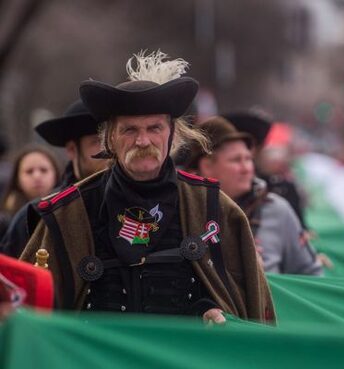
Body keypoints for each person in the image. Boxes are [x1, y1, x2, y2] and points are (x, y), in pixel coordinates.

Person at [20, 51, 274, 324]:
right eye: (129, 130)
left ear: (172, 134)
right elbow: (23, 310)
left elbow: (254, 314)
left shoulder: (214, 207)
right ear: (110, 139)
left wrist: (210, 307)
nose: (143, 141)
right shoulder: (67, 213)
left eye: (154, 128)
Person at [184, 117, 322, 275]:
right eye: (236, 160)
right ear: (207, 166)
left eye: (248, 159)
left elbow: (310, 274)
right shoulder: (182, 208)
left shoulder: (276, 209)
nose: (247, 168)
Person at [1, 100, 108, 257]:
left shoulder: (132, 203)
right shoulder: (37, 216)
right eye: (97, 142)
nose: (108, 150)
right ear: (72, 150)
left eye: (110, 141)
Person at [0, 146, 60, 236]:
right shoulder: (5, 221)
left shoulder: (67, 212)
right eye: (29, 171)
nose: (37, 176)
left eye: (44, 170)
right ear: (17, 179)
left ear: (56, 175)